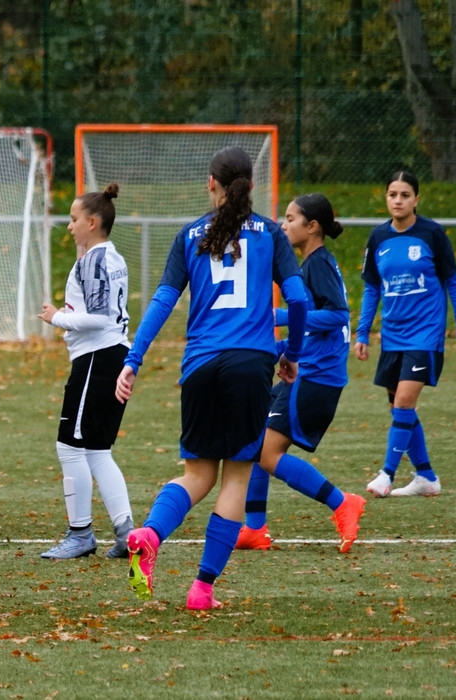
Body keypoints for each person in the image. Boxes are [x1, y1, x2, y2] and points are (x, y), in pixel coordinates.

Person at [114, 146, 308, 610]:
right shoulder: (272, 236)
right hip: (250, 365)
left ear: (211, 183)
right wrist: (292, 353)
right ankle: (202, 590)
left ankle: (149, 533)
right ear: (252, 187)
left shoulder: (188, 235)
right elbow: (299, 301)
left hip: (199, 365)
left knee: (197, 473)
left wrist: (133, 359)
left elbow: (162, 301)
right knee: (236, 477)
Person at [236, 194, 366, 553]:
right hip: (309, 371)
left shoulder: (317, 264)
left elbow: (338, 315)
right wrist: (273, 348)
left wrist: (280, 317)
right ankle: (253, 528)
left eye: (291, 218)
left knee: (266, 453)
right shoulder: (311, 265)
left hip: (315, 378)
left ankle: (343, 503)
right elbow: (314, 329)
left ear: (313, 227)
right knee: (257, 443)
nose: (284, 224)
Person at [356, 171, 456, 498]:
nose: (398, 200)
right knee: (398, 406)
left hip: (425, 335)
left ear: (416, 200)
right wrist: (362, 331)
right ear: (386, 198)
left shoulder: (432, 233)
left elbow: (453, 282)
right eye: (393, 194)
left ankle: (386, 474)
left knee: (405, 400)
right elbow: (372, 288)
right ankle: (426, 477)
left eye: (405, 195)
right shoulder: (378, 237)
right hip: (392, 336)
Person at [38, 183, 134, 560]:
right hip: (110, 356)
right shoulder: (111, 257)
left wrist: (58, 318)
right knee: (96, 449)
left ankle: (80, 534)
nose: (70, 226)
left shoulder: (94, 259)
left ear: (92, 222)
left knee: (70, 446)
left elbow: (99, 318)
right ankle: (127, 532)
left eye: (75, 219)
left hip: (97, 357)